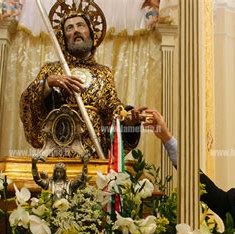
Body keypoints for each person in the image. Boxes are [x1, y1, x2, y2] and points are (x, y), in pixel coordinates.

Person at [20, 11, 144, 157]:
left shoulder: (103, 73)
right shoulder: (50, 70)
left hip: (93, 152)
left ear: (90, 33)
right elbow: (28, 103)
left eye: (80, 25)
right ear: (63, 37)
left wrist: (126, 118)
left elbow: (111, 107)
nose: (76, 30)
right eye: (69, 28)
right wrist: (47, 84)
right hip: (58, 151)